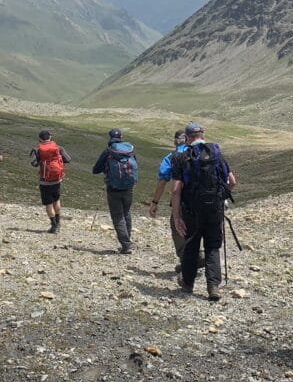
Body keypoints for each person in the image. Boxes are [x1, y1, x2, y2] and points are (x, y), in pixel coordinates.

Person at [171, 122, 236, 301]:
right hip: (214, 208)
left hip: (191, 210)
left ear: (187, 138)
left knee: (191, 246)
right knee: (212, 246)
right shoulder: (216, 154)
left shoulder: (181, 157)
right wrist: (221, 197)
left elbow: (176, 190)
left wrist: (177, 217)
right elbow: (232, 181)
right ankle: (213, 286)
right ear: (203, 135)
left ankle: (187, 283)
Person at [145, 130, 204, 273]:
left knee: (177, 227)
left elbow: (162, 181)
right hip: (203, 199)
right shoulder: (203, 153)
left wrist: (155, 202)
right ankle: (200, 254)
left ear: (175, 141)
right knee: (196, 226)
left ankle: (189, 260)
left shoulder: (171, 157)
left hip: (182, 201)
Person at [92, 128, 139, 254]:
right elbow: (134, 165)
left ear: (110, 137)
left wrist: (106, 169)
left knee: (118, 216)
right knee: (126, 212)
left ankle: (126, 245)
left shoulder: (108, 151)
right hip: (129, 187)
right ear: (121, 137)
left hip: (113, 188)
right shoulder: (129, 150)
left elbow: (95, 170)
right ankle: (128, 240)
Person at [30, 129, 72, 233]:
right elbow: (68, 159)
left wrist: (42, 161)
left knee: (48, 204)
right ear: (50, 137)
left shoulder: (39, 149)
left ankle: (54, 225)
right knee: (56, 200)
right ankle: (58, 222)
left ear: (40, 139)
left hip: (44, 181)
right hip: (57, 180)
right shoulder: (58, 148)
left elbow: (34, 163)